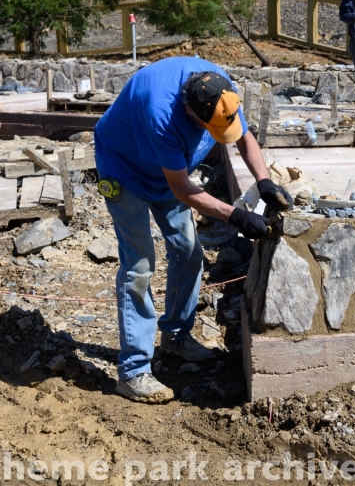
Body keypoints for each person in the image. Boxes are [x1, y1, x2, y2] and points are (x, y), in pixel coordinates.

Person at [95, 57, 290, 403]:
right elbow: (182, 189)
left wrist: (264, 182)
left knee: (188, 252)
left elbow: (244, 139)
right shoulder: (161, 113)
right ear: (190, 113)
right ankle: (134, 371)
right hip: (124, 171)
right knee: (139, 265)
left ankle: (175, 336)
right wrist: (236, 216)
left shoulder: (218, 89)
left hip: (168, 174)